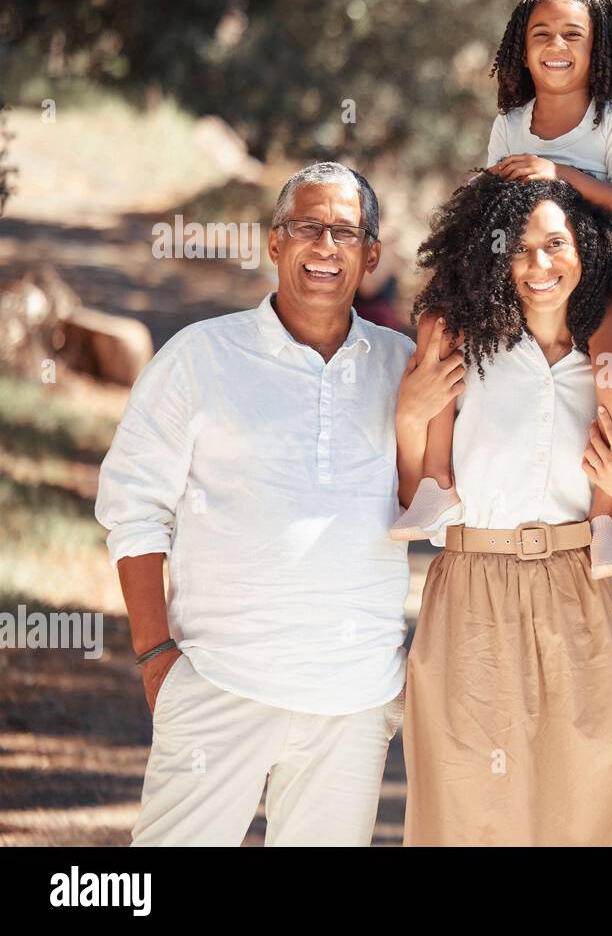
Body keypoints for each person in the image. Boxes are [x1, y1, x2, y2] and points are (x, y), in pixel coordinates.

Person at [95, 161, 464, 846]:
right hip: (220, 683)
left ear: (371, 255)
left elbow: (427, 510)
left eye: (345, 233)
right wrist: (155, 659)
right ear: (275, 242)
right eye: (307, 227)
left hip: (351, 703)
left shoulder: (405, 364)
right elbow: (132, 507)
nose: (325, 247)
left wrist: (413, 416)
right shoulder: (200, 356)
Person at [399, 172, 612, 846]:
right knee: (467, 799)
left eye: (558, 245)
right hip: (473, 578)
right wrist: (407, 426)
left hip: (572, 577)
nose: (541, 264)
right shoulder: (463, 340)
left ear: (586, 251)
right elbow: (410, 471)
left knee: (590, 785)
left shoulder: (606, 343)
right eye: (523, 248)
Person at [391, 0, 612, 580]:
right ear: (520, 48)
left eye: (573, 35)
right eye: (542, 34)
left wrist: (556, 171)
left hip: (603, 276)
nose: (556, 45)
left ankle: (605, 517)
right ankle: (436, 482)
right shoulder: (511, 121)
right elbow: (490, 205)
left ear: (598, 46)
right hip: (519, 267)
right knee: (439, 321)